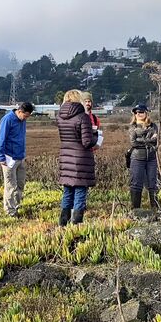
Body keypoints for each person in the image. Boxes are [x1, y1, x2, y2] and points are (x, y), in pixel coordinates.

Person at [56, 89, 99, 225]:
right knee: (80, 189)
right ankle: (77, 222)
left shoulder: (59, 116)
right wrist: (95, 136)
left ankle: (63, 222)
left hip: (66, 156)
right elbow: (87, 142)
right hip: (81, 158)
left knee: (68, 190)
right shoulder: (83, 117)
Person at [0, 101, 34, 216]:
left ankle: (16, 206)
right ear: (19, 111)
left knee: (20, 184)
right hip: (9, 158)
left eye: (28, 116)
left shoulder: (23, 121)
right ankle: (10, 211)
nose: (25, 118)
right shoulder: (8, 119)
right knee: (10, 186)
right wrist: (1, 156)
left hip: (20, 157)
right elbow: (1, 138)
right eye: (25, 116)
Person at [127, 105, 160, 211]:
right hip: (137, 158)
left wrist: (141, 140)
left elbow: (156, 141)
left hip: (151, 158)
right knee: (136, 183)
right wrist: (149, 141)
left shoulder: (153, 126)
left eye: (141, 112)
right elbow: (133, 143)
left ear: (146, 113)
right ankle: (135, 209)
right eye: (136, 113)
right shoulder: (133, 126)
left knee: (153, 184)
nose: (139, 114)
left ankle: (155, 208)